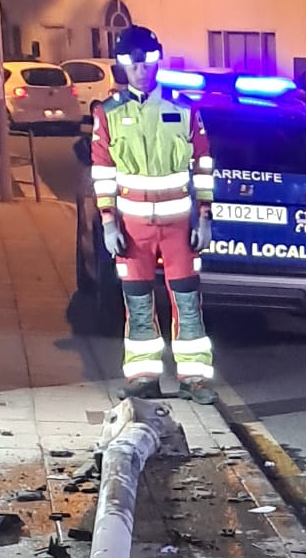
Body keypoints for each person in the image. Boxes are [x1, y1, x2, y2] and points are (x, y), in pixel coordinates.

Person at [88, 25, 215, 397]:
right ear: (123, 66)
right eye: (133, 63)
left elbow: (203, 164)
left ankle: (195, 379)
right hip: (132, 228)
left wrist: (205, 217)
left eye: (147, 62)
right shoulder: (108, 113)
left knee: (188, 301)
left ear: (157, 62)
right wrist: (108, 223)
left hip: (179, 227)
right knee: (138, 303)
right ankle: (143, 379)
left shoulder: (183, 107)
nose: (141, 70)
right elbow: (102, 172)